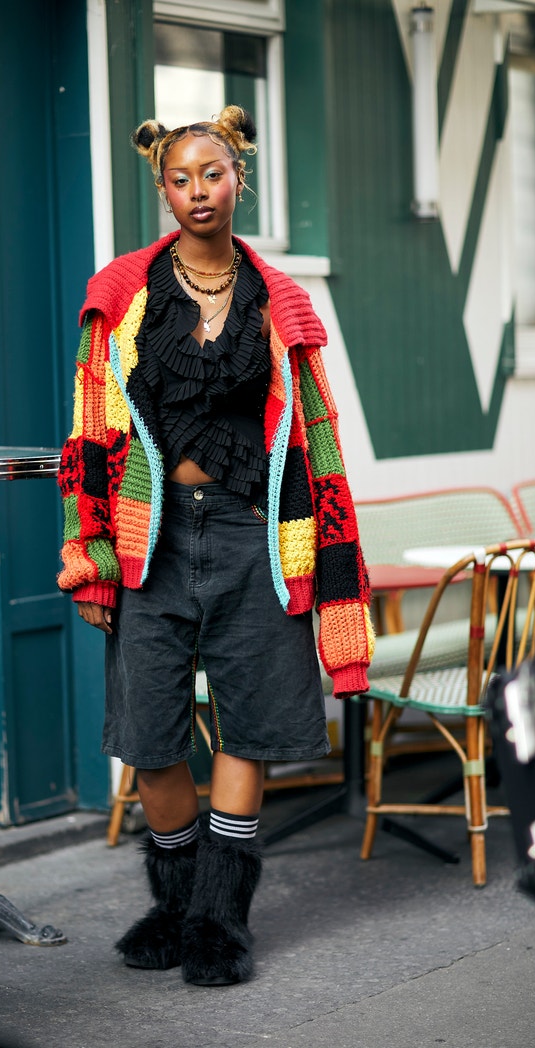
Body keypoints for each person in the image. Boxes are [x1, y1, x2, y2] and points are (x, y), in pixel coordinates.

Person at [57, 105, 374, 985]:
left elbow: (314, 434)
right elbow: (89, 427)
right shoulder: (121, 292)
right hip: (147, 535)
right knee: (151, 733)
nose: (199, 191)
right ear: (163, 188)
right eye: (181, 178)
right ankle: (174, 902)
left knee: (252, 719)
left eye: (214, 174)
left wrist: (331, 549)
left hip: (253, 534)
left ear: (240, 180)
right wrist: (88, 540)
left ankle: (219, 920)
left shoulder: (282, 302)